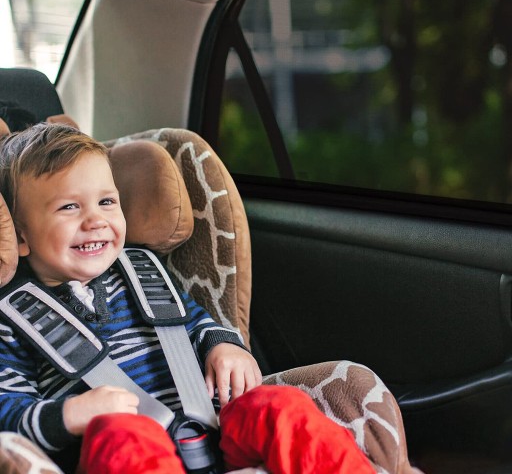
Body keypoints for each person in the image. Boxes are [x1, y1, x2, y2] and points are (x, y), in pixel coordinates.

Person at [0, 123, 376, 474]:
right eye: (69, 207)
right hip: (118, 444)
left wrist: (223, 346)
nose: (96, 220)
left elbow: (193, 323)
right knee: (122, 437)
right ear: (20, 237)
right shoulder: (12, 319)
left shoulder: (141, 271)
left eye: (107, 202)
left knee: (282, 406)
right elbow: (8, 410)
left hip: (210, 427)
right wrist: (70, 415)